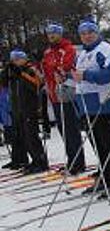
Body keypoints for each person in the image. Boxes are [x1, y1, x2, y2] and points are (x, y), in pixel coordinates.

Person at [71, 17, 110, 198]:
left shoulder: (106, 49)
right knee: (99, 147)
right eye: (83, 34)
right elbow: (78, 77)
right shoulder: (82, 54)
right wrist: (67, 77)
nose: (87, 36)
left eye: (90, 33)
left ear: (97, 33)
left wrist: (85, 74)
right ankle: (105, 178)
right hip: (89, 106)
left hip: (106, 104)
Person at [42, 23, 86, 174]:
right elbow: (46, 71)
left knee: (71, 129)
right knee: (63, 129)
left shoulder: (68, 48)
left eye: (54, 33)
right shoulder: (48, 51)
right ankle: (72, 159)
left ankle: (78, 162)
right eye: (49, 34)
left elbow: (65, 66)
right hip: (55, 94)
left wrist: (55, 68)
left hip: (67, 92)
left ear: (60, 34)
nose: (51, 36)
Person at [0, 49, 48, 174]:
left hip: (29, 107)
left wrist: (21, 73)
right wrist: (6, 71)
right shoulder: (14, 71)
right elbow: (4, 84)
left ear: (24, 58)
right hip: (17, 108)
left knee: (32, 136)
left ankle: (41, 161)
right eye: (13, 60)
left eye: (17, 59)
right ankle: (33, 160)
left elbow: (37, 84)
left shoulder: (30, 69)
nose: (15, 62)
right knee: (24, 136)